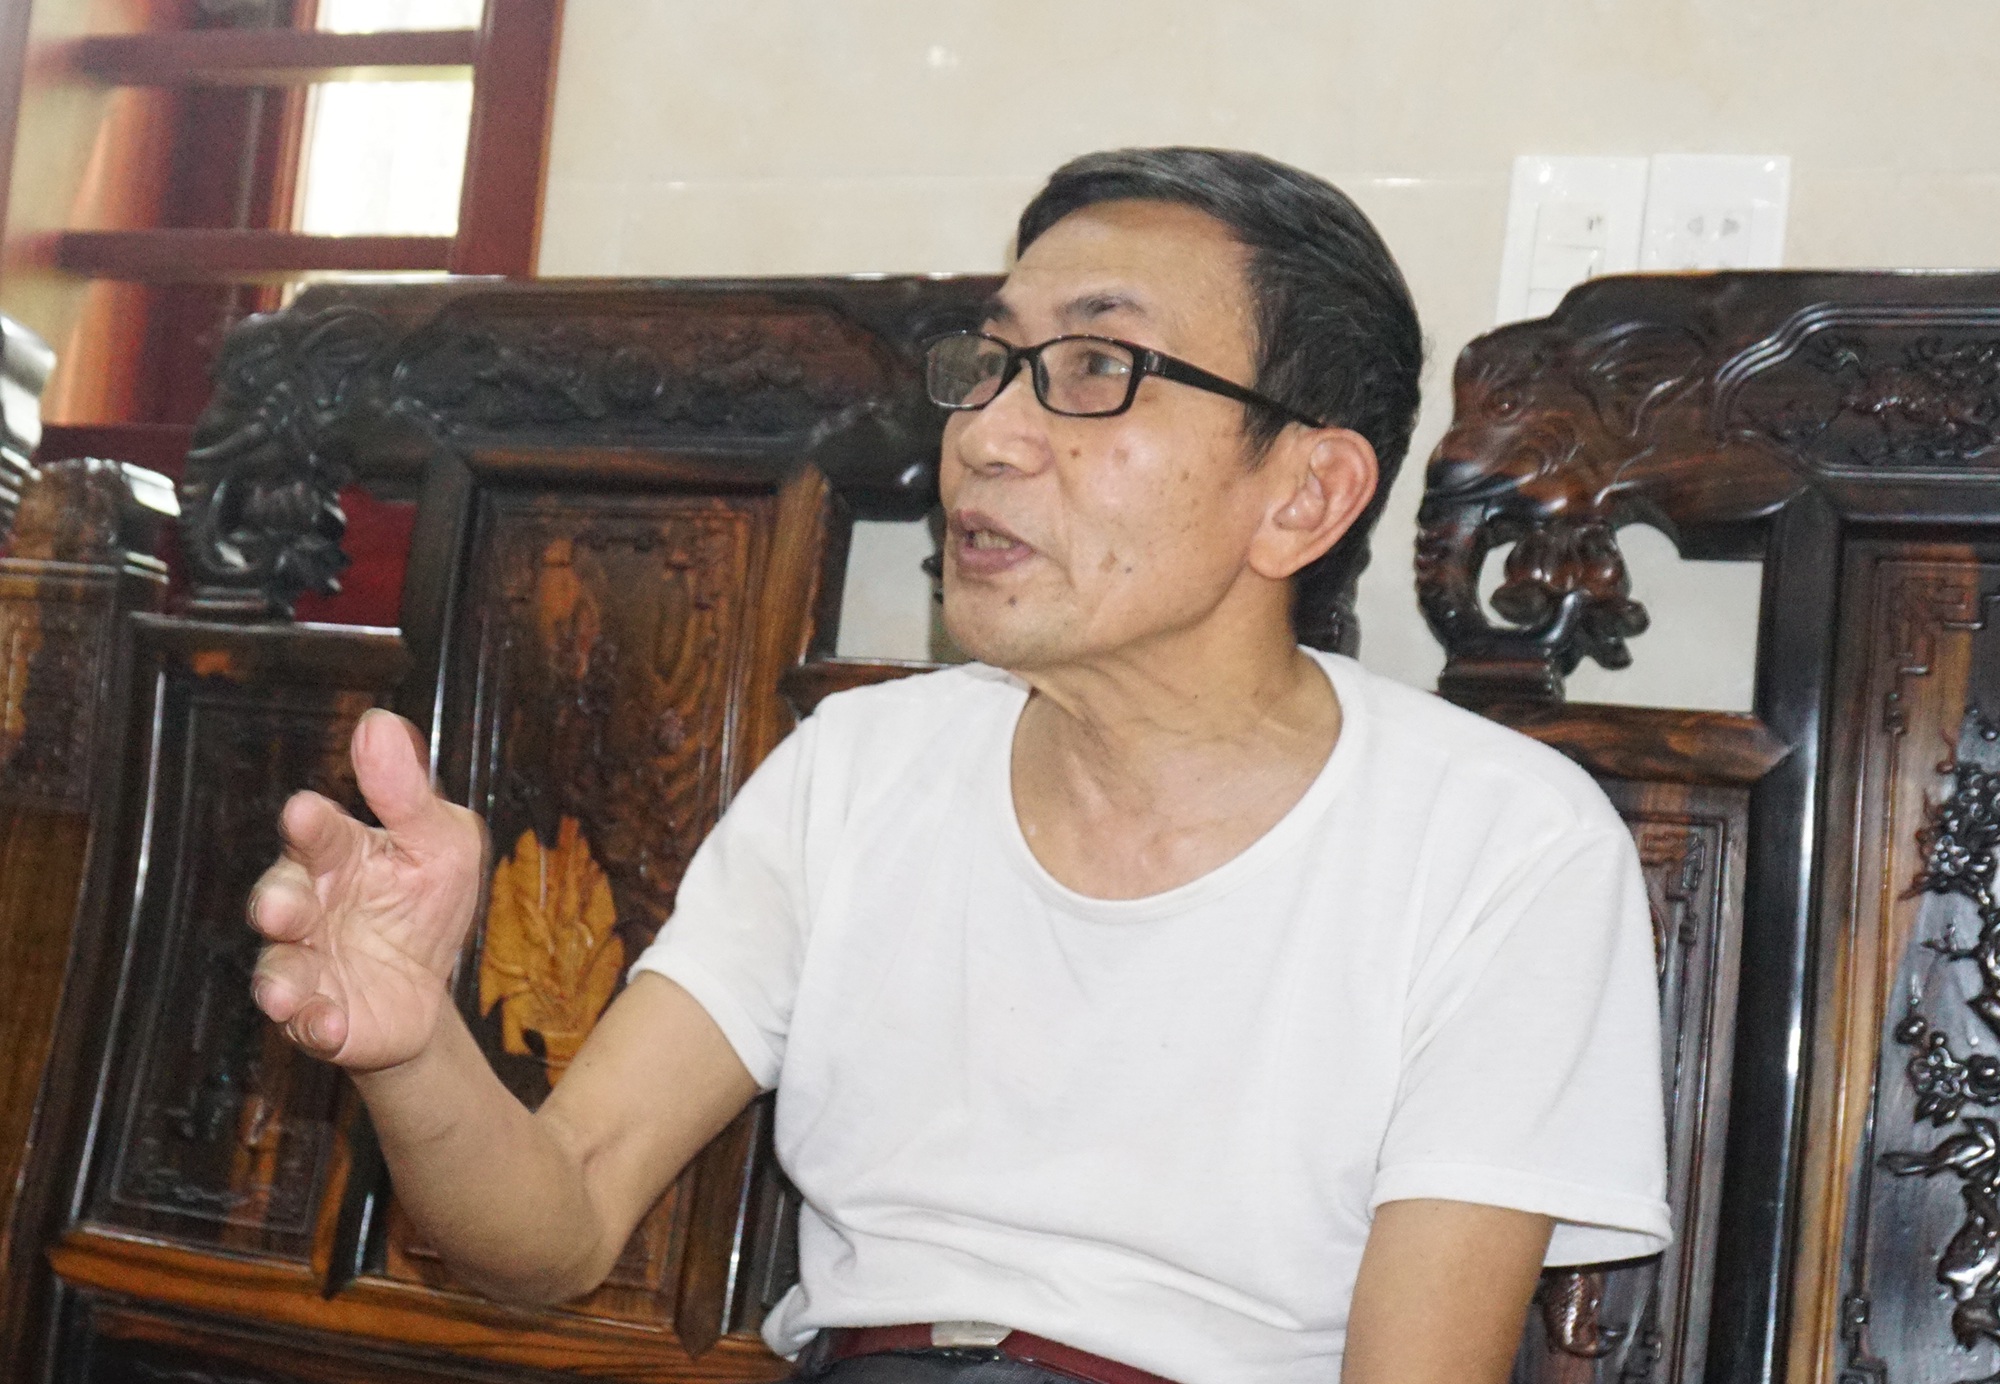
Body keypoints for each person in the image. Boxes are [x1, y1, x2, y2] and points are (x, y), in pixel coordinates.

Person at [247, 147, 1669, 1384]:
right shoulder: (863, 768)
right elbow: (554, 1231)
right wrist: (414, 1049)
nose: (984, 437)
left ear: (1305, 494)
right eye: (991, 365)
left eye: (1098, 370)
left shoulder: (1500, 844)